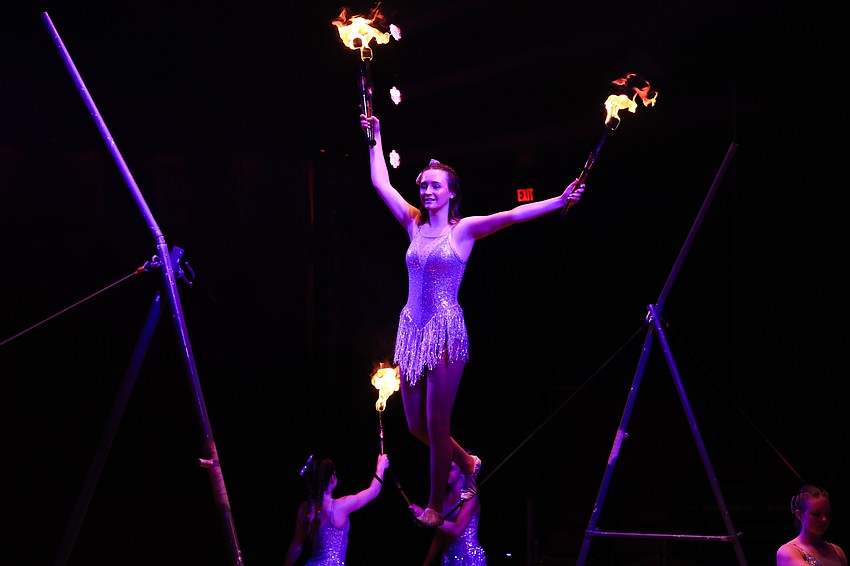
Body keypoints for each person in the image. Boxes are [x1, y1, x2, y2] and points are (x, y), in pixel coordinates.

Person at [359, 113, 584, 528]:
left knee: (436, 422)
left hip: (445, 331)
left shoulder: (464, 231)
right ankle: (467, 461)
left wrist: (558, 200)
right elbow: (380, 183)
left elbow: (514, 215)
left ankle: (432, 505)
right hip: (410, 330)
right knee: (414, 426)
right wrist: (375, 137)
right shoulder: (412, 222)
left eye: (435, 186)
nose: (426, 190)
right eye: (423, 185)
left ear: (451, 193)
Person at [283, 453, 390, 566]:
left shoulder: (304, 509)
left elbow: (296, 547)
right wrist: (381, 467)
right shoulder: (340, 506)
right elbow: (374, 491)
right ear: (332, 479)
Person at [411, 460, 486, 565]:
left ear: (461, 470)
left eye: (451, 468)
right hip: (447, 559)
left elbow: (456, 530)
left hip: (469, 559)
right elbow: (438, 538)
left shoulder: (470, 498)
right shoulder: (442, 498)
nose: (445, 472)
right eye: (443, 468)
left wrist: (427, 516)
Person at [776, 485, 847, 566]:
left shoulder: (837, 551)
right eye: (816, 514)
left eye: (827, 514)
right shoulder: (787, 551)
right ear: (799, 515)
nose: (824, 519)